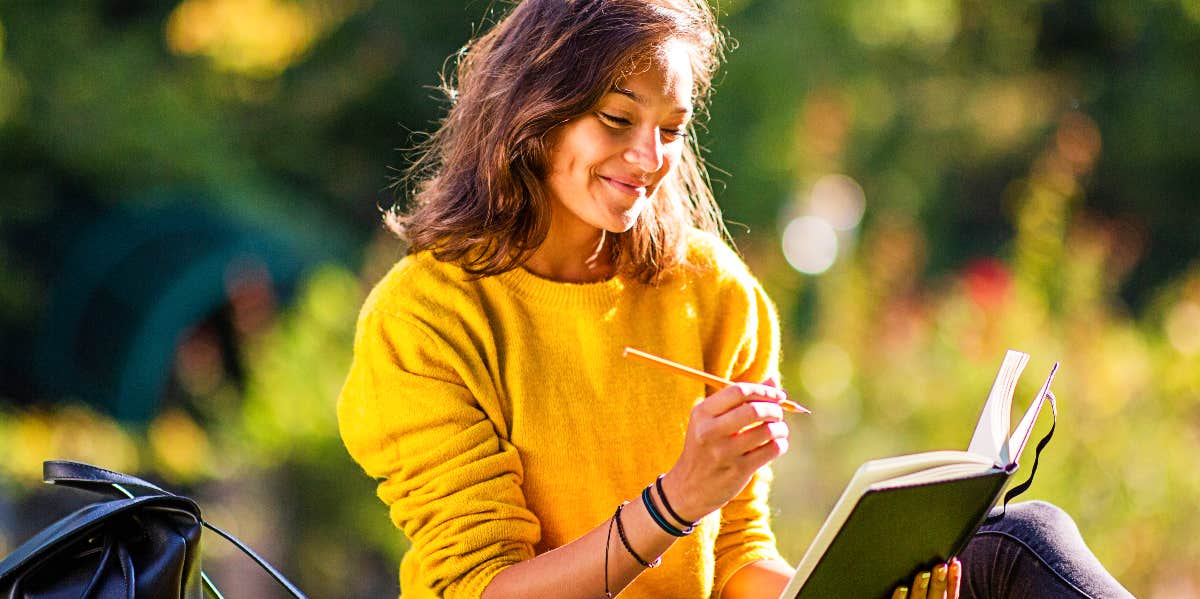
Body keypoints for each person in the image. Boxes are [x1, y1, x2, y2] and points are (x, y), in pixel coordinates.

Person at [336, 1, 1134, 598]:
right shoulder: (427, 318)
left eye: (673, 129)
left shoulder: (711, 292)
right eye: (618, 119)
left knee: (1017, 539)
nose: (649, 159)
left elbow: (741, 554)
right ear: (532, 115)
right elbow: (482, 588)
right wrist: (674, 500)